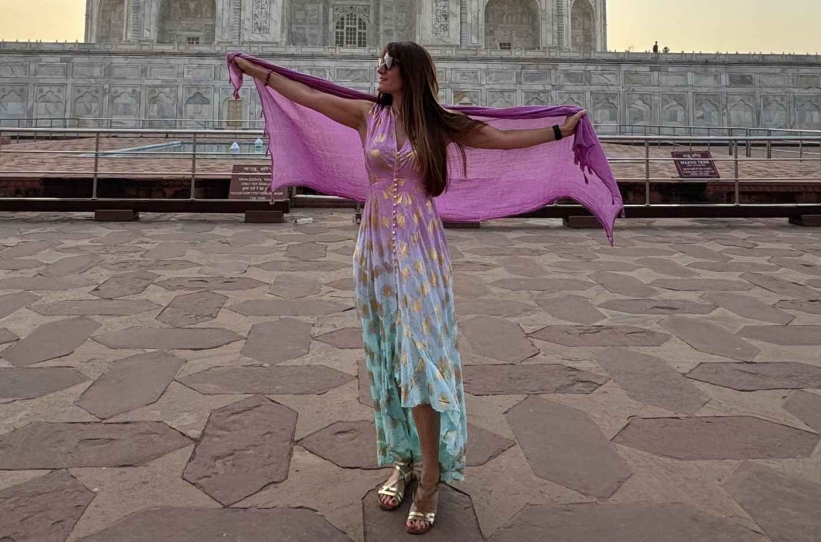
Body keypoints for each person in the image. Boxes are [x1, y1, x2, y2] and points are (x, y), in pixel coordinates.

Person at [232, 43, 587, 535]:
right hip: (375, 251)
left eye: (386, 64)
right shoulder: (365, 116)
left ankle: (431, 475)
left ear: (408, 71)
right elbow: (308, 95)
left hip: (419, 249)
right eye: (377, 63)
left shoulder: (438, 124)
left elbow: (500, 139)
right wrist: (257, 72)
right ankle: (403, 459)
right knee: (387, 357)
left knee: (420, 357)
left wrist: (556, 131)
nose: (378, 71)